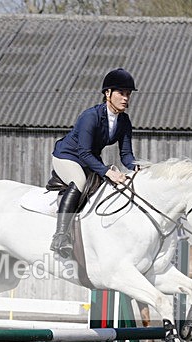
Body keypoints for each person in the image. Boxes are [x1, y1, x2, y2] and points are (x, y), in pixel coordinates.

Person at [49, 67, 138, 259]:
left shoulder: (124, 121)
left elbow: (126, 154)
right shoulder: (91, 116)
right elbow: (83, 151)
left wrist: (138, 166)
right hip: (68, 156)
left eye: (128, 94)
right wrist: (108, 171)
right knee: (80, 183)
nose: (125, 98)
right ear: (107, 93)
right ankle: (60, 236)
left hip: (90, 159)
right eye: (121, 93)